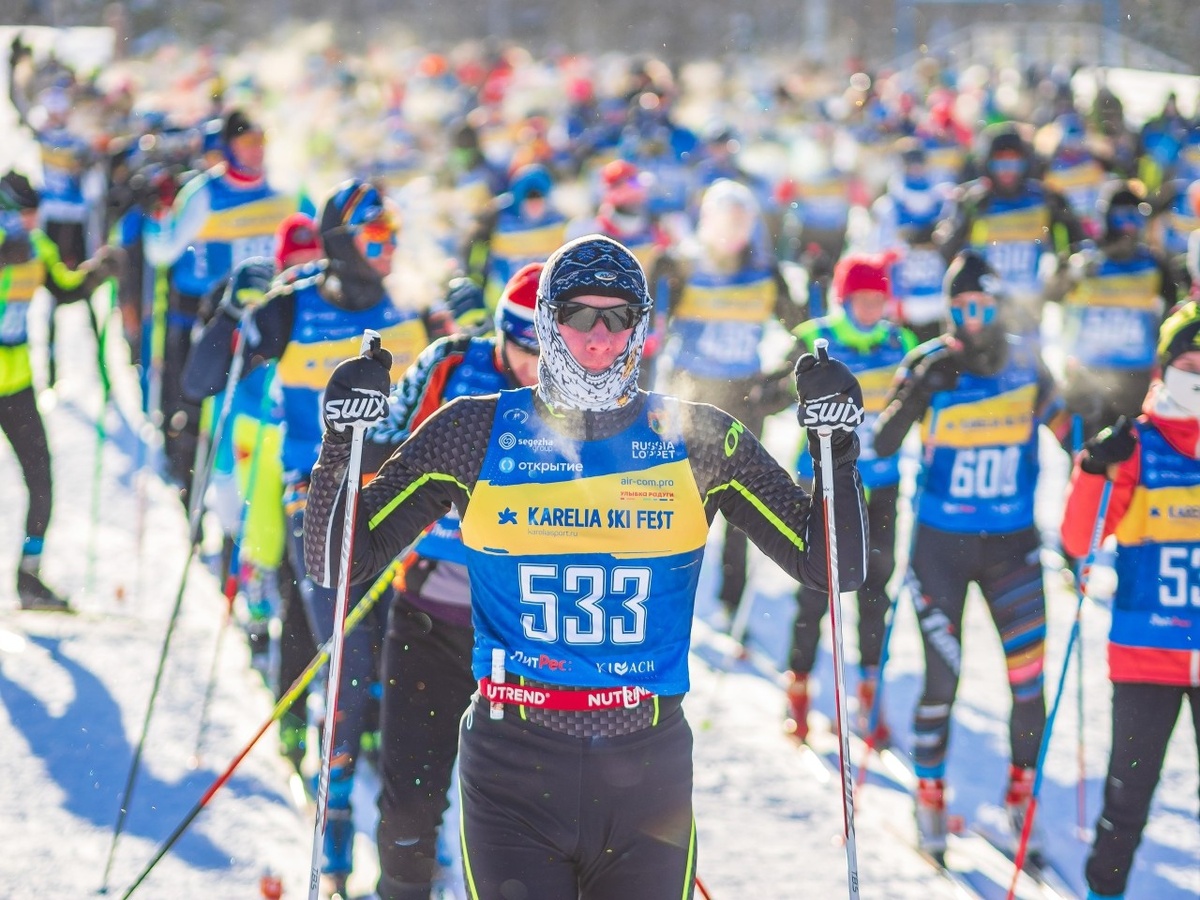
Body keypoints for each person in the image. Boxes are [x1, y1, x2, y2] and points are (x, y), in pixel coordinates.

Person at [303, 234, 868, 900]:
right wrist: (340, 443)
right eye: (578, 316)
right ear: (546, 321)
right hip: (512, 764)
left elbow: (833, 566)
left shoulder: (696, 438)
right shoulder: (473, 430)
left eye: (617, 316)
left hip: (647, 764)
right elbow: (338, 558)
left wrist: (836, 454)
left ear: (641, 326)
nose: (598, 337)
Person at [182, 180, 430, 889]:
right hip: (316, 499)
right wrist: (231, 310)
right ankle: (339, 801)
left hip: (406, 494)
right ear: (343, 240)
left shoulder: (411, 297)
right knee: (347, 647)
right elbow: (202, 380)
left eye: (394, 235)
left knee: (413, 643)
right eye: (376, 237)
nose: (390, 250)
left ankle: (392, 765)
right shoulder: (295, 306)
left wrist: (473, 322)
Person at [873, 250, 1071, 857]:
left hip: (1013, 546)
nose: (972, 319)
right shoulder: (932, 360)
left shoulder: (1025, 362)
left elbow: (1073, 436)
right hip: (941, 548)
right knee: (942, 680)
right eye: (960, 308)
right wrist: (914, 396)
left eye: (982, 305)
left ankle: (1020, 797)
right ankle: (929, 796)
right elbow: (882, 441)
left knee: (1028, 682)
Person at [365, 262, 542, 900]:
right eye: (525, 350)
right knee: (411, 798)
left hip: (528, 638)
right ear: (502, 335)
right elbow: (381, 446)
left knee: (518, 814)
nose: (538, 368)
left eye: (551, 351)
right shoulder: (448, 365)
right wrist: (353, 433)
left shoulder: (587, 393)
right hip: (429, 615)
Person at [1061, 301, 1200, 900]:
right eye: (1189, 362)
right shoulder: (1138, 445)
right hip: (1148, 650)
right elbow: (1078, 539)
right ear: (1165, 368)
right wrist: (1094, 467)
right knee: (1128, 800)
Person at [654, 179, 806, 620]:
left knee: (741, 500)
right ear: (707, 221)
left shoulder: (764, 272)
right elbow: (648, 331)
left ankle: (731, 599)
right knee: (680, 499)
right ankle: (667, 593)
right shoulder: (683, 265)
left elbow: (803, 331)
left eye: (741, 221)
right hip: (692, 398)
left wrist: (776, 385)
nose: (731, 231)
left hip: (742, 397)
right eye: (724, 220)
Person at [786, 254, 916, 744]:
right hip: (821, 480)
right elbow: (784, 389)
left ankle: (867, 694)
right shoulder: (817, 339)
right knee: (816, 588)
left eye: (878, 300)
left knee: (875, 586)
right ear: (844, 299)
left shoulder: (898, 341)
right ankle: (798, 687)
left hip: (880, 480)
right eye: (861, 300)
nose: (870, 309)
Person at [145, 109, 296, 501]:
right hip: (219, 317)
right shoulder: (204, 193)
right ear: (229, 148)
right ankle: (201, 493)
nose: (257, 152)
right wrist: (155, 220)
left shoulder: (285, 190)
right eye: (247, 144)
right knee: (207, 407)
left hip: (275, 320)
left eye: (261, 142)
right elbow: (163, 250)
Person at [0, 171, 120, 611]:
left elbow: (64, 289)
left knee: (41, 479)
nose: (31, 223)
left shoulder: (37, 246)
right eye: (23, 214)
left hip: (15, 383)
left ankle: (29, 577)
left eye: (35, 214)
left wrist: (98, 273)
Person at [936, 123, 1083, 340]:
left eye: (1014, 162)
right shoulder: (972, 200)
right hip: (980, 312)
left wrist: (1063, 270)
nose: (1007, 171)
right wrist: (966, 219)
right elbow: (944, 250)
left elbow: (1077, 240)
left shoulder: (1044, 198)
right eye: (1000, 162)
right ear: (988, 163)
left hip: (1029, 308)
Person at [1056, 182, 1176, 441]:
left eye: (1135, 216)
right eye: (1121, 217)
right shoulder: (1086, 259)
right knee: (1087, 452)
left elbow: (1173, 311)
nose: (1128, 226)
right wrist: (1073, 272)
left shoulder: (1153, 262)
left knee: (1134, 454)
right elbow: (1050, 294)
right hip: (1090, 373)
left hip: (1137, 374)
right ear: (1107, 218)